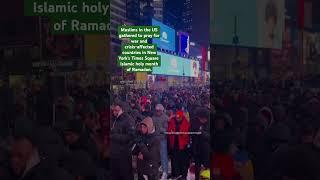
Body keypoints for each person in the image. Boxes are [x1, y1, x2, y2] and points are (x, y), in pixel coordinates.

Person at [110, 101, 135, 180]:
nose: (114, 112)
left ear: (121, 109)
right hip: (114, 153)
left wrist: (115, 136)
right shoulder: (112, 118)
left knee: (125, 174)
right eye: (113, 110)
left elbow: (130, 137)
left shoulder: (128, 119)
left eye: (116, 110)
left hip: (123, 154)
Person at [168, 110, 190, 179]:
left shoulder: (185, 122)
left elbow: (186, 133)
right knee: (175, 161)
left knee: (183, 161)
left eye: (179, 118)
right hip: (174, 145)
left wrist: (181, 133)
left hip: (183, 146)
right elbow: (169, 130)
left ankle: (183, 176)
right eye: (177, 118)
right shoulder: (172, 121)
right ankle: (176, 174)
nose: (178, 119)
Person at [191, 108, 210, 180]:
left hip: (206, 149)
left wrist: (202, 133)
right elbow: (191, 132)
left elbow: (209, 136)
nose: (200, 120)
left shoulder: (209, 124)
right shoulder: (195, 122)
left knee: (207, 166)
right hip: (197, 148)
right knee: (197, 167)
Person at [152, 104, 169, 179]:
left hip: (162, 139)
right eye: (156, 110)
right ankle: (157, 170)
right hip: (155, 139)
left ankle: (165, 172)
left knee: (163, 156)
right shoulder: (153, 117)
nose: (157, 112)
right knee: (155, 156)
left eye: (159, 110)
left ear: (162, 110)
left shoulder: (166, 118)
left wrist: (161, 129)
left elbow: (167, 129)